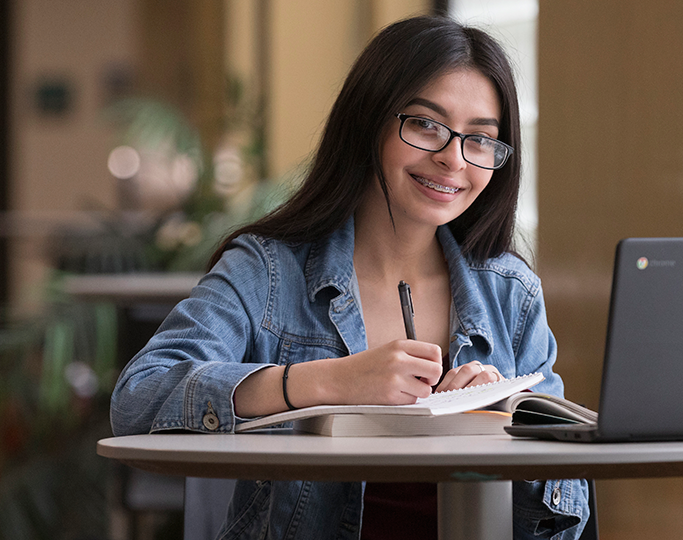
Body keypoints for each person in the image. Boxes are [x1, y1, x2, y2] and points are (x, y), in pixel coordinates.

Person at [110, 15, 590, 540]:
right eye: (427, 124)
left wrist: (507, 426)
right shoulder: (267, 271)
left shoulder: (510, 293)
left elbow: (567, 511)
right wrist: (326, 383)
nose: (454, 158)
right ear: (369, 122)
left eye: (480, 139)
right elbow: (139, 396)